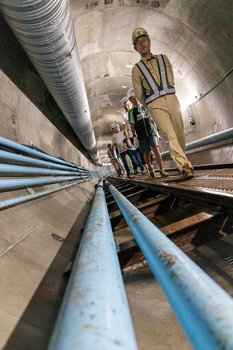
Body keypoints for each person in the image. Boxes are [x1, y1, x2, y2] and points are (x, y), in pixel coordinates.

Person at [131, 27, 194, 180]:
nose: (142, 44)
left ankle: (181, 162)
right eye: (138, 43)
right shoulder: (136, 69)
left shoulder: (163, 58)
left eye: (144, 40)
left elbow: (170, 76)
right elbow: (139, 93)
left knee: (179, 134)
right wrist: (150, 105)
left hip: (172, 99)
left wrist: (170, 93)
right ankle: (184, 165)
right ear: (135, 48)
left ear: (149, 41)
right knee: (169, 134)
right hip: (155, 104)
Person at [127, 88, 168, 178]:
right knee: (146, 153)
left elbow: (152, 120)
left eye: (136, 97)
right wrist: (134, 136)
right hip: (141, 135)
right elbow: (132, 125)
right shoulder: (131, 112)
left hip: (151, 131)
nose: (136, 100)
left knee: (156, 150)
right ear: (130, 101)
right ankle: (150, 170)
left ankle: (162, 170)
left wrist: (156, 131)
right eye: (133, 99)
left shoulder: (145, 107)